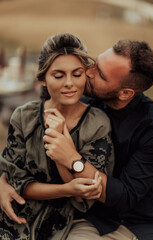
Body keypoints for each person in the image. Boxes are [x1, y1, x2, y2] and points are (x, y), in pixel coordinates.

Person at [0, 39, 153, 240]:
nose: (88, 72)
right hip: (77, 212)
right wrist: (3, 182)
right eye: (94, 63)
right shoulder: (83, 98)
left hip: (128, 223)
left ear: (125, 93)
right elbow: (19, 153)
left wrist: (73, 160)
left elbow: (124, 197)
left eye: (100, 74)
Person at [0, 33, 114, 240]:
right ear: (43, 79)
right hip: (13, 215)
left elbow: (83, 196)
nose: (69, 83)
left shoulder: (98, 123)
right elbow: (17, 183)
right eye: (59, 76)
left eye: (77, 74)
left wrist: (61, 143)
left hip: (60, 224)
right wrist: (66, 189)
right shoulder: (24, 116)